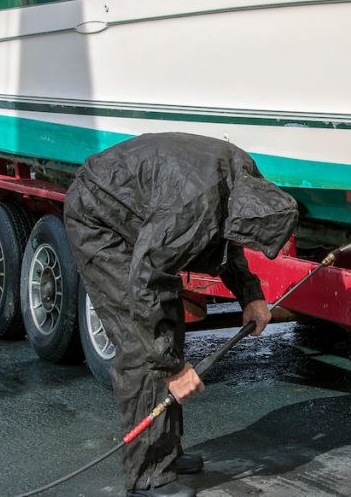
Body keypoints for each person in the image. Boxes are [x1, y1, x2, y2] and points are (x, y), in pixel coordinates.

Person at [64, 133, 298, 497]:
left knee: (164, 326)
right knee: (141, 345)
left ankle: (165, 453)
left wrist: (250, 296)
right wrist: (172, 367)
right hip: (100, 219)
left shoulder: (244, 181)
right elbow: (147, 278)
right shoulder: (194, 208)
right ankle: (147, 477)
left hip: (138, 213)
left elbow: (228, 237)